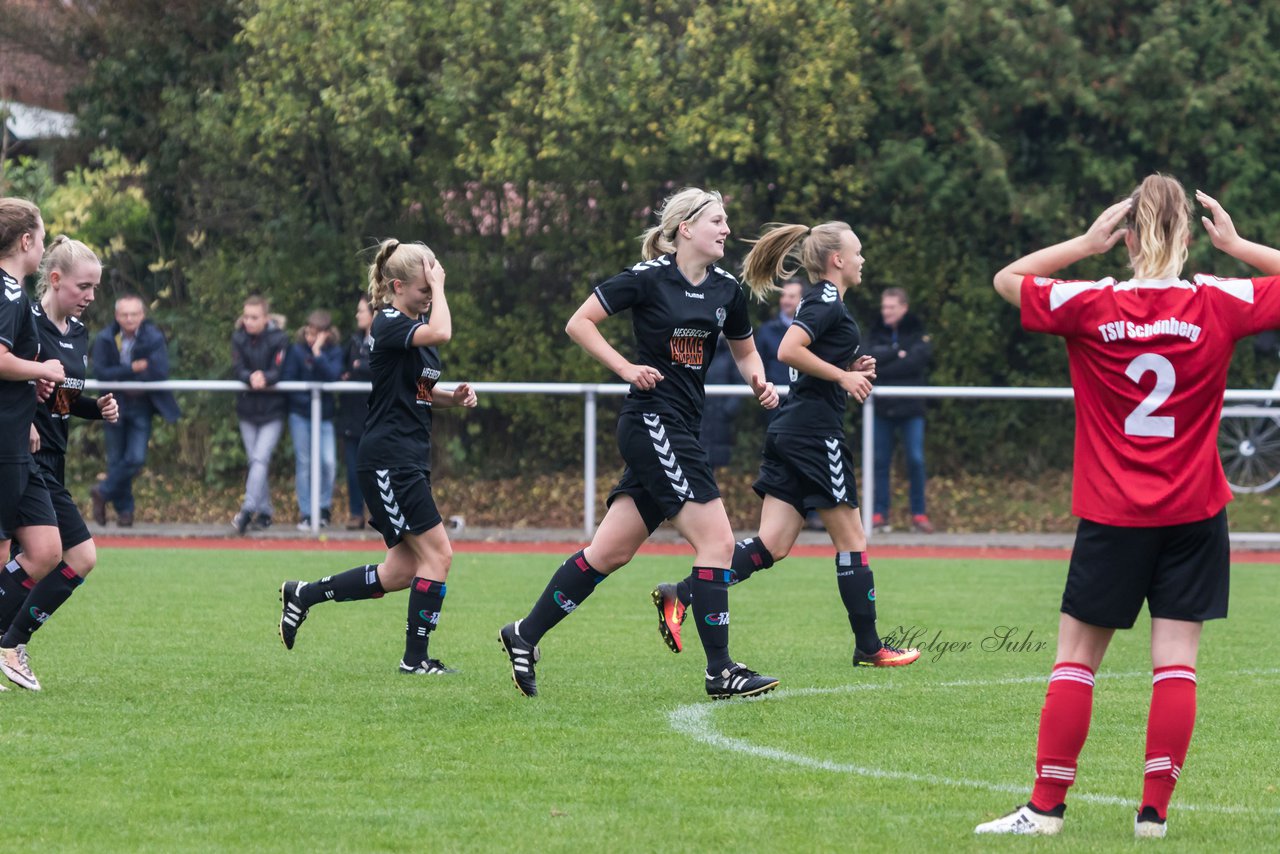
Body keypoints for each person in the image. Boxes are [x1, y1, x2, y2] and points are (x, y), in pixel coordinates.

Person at [973, 175, 1280, 839]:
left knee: (1076, 662)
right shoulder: (1218, 302)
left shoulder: (1093, 303)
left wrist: (1084, 245)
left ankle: (1046, 809)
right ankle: (1153, 815)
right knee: (1176, 664)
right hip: (1196, 513)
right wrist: (1240, 243)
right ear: (1194, 237)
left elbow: (1008, 278)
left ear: (1130, 236)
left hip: (1115, 514)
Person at [498, 187, 781, 699]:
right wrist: (626, 368)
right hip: (653, 422)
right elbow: (578, 322)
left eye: (726, 220)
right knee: (716, 542)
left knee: (609, 552)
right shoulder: (647, 278)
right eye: (717, 220)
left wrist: (758, 380)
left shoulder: (726, 291)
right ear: (685, 229)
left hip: (678, 429)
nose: (725, 229)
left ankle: (524, 634)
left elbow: (745, 351)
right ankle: (721, 671)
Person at [651, 221, 921, 669]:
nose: (862, 259)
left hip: (791, 430)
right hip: (816, 435)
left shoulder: (824, 302)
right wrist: (843, 376)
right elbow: (789, 351)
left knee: (772, 545)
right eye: (858, 251)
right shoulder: (828, 300)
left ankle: (683, 594)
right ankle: (870, 646)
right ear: (837, 260)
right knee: (853, 540)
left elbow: (810, 351)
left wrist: (848, 363)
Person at [278, 240, 476, 675]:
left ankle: (304, 594)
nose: (430, 295)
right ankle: (415, 660)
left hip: (406, 458)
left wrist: (451, 397)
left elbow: (420, 393)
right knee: (439, 556)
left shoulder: (413, 329)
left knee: (403, 570)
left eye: (432, 288)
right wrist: (440, 287)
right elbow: (443, 330)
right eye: (423, 288)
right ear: (397, 285)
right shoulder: (387, 322)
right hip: (390, 459)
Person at [0, 236, 119, 691]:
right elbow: (19, 387)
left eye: (94, 288)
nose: (90, 296)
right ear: (54, 280)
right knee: (68, 555)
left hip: (53, 459)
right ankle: (13, 642)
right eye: (83, 286)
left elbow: (61, 400)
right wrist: (26, 420)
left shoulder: (77, 333)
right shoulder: (25, 318)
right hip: (23, 456)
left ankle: (11, 641)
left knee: (62, 558)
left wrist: (95, 408)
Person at [0, 198, 65, 692]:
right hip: (2, 442)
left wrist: (30, 389)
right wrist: (41, 370)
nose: (44, 246)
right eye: (42, 237)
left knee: (45, 549)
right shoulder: (6, 292)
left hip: (17, 440)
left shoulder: (15, 294)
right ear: (26, 241)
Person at [90, 294, 181, 527]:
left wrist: (121, 372)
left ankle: (103, 491)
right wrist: (132, 368)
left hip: (141, 404)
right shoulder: (105, 338)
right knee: (116, 459)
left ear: (142, 315)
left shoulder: (153, 336)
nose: (129, 318)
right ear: (116, 316)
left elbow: (159, 372)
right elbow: (101, 373)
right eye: (124, 314)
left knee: (136, 458)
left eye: (134, 314)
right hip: (113, 402)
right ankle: (125, 513)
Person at [866, 287, 934, 534]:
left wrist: (886, 361)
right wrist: (897, 354)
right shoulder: (876, 330)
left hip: (911, 407)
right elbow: (868, 358)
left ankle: (918, 514)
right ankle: (878, 514)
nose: (886, 312)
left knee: (916, 460)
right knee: (879, 461)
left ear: (903, 308)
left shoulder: (917, 330)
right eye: (884, 307)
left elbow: (918, 361)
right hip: (881, 408)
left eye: (891, 307)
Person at [231, 295, 288, 535]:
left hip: (272, 411)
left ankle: (247, 510)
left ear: (266, 318)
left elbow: (280, 369)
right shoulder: (238, 337)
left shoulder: (280, 338)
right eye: (246, 317)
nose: (249, 322)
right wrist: (249, 377)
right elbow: (238, 367)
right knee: (256, 460)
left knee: (259, 459)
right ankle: (264, 512)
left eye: (254, 317)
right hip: (248, 410)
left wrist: (266, 377)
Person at [281, 309, 343, 529]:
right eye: (308, 333)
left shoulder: (334, 352)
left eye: (315, 335)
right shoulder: (296, 351)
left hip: (325, 417)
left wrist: (318, 353)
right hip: (300, 416)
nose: (310, 338)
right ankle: (306, 512)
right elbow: (288, 379)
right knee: (305, 463)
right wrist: (308, 402)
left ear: (326, 334)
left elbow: (333, 376)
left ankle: (323, 508)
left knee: (328, 463)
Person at [338, 294, 374, 529]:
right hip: (352, 416)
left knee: (376, 469)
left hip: (376, 417)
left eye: (362, 310)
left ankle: (380, 515)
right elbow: (341, 368)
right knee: (353, 470)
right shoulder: (352, 342)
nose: (357, 315)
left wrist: (360, 367)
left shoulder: (385, 340)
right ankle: (356, 513)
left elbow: (378, 368)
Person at [755, 277, 804, 390]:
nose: (786, 300)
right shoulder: (766, 330)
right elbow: (759, 365)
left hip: (805, 399)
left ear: (802, 300)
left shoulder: (813, 330)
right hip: (775, 400)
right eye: (783, 295)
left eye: (791, 296)